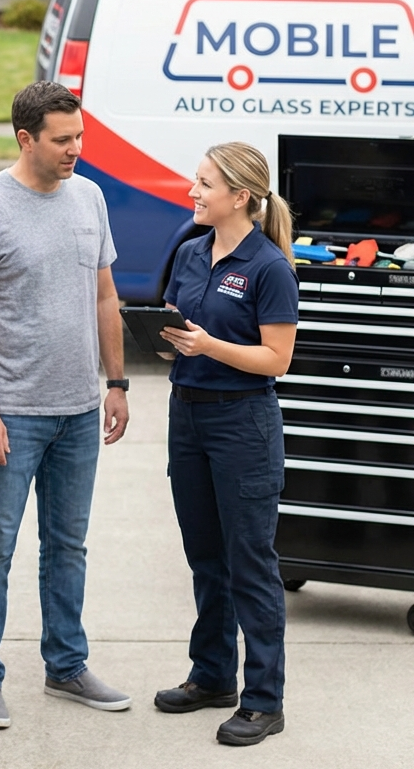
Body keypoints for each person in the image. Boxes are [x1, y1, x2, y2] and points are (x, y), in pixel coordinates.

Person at [0, 80, 132, 731]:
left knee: (68, 546)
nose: (76, 149)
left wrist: (116, 382)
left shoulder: (90, 197)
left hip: (80, 409)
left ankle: (67, 664)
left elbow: (105, 295)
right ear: (26, 139)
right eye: (63, 140)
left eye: (80, 136)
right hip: (13, 414)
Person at [154, 141, 298, 748]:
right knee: (205, 556)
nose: (194, 191)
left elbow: (277, 359)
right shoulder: (190, 252)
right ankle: (212, 675)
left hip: (242, 424)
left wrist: (209, 345)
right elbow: (184, 325)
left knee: (250, 564)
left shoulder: (269, 267)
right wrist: (170, 338)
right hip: (186, 416)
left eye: (205, 183)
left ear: (240, 196)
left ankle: (264, 700)